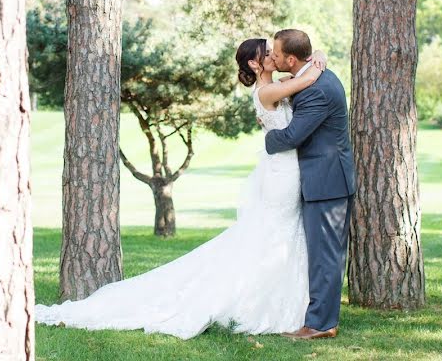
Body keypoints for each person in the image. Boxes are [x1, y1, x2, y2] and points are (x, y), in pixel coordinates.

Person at [34, 36, 327, 339]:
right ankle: (265, 304)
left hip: (284, 169)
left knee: (276, 236)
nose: (274, 56)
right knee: (276, 234)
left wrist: (315, 53)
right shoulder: (267, 91)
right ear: (254, 64)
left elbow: (302, 71)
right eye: (267, 53)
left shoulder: (275, 83)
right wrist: (318, 60)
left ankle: (280, 300)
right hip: (282, 174)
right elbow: (309, 78)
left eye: (274, 52)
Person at [264, 28, 356, 340]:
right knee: (319, 254)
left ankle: (321, 324)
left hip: (327, 182)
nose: (273, 58)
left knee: (326, 256)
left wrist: (266, 136)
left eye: (276, 54)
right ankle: (317, 316)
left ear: (291, 59)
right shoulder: (312, 75)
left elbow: (291, 136)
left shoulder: (317, 88)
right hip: (320, 178)